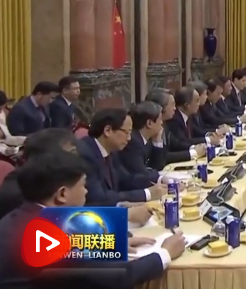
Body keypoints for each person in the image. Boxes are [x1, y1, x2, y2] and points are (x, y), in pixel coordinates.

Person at [0, 150, 185, 288]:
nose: (86, 191)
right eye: (83, 185)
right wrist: (165, 253)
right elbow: (119, 277)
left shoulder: (19, 216)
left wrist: (110, 242)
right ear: (62, 194)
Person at [76, 108, 168, 206]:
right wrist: (147, 194)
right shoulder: (85, 154)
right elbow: (99, 198)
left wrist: (160, 181)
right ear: (108, 131)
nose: (129, 138)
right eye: (126, 132)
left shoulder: (111, 150)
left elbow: (126, 179)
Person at [118, 101, 167, 181]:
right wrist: (158, 176)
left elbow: (158, 166)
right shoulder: (133, 142)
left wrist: (157, 141)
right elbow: (142, 173)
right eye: (160, 119)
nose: (162, 123)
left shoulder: (146, 140)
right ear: (149, 123)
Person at [0, 90, 25, 159]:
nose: (1, 111)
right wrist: (4, 150)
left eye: (2, 108)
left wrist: (25, 140)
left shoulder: (2, 114)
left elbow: (8, 138)